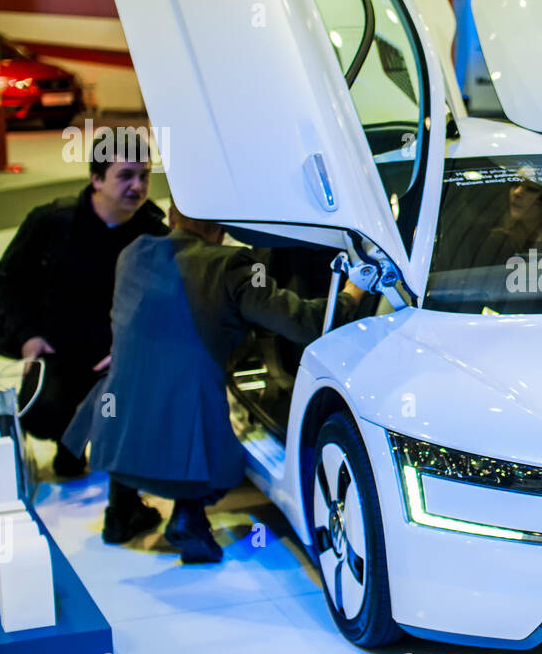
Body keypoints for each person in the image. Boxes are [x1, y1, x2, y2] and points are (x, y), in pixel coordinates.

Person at [63, 206, 366, 562]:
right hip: (187, 453)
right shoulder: (234, 265)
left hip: (111, 440)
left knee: (138, 383)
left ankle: (119, 511)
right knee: (199, 418)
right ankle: (188, 516)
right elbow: (307, 323)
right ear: (221, 227)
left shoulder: (133, 254)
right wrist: (353, 289)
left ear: (173, 218)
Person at [0, 131, 167, 475]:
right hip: (58, 346)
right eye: (125, 176)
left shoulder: (154, 234)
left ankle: (111, 453)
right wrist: (28, 337)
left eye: (144, 175)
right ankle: (70, 441)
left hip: (117, 350)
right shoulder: (52, 222)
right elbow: (9, 281)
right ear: (96, 178)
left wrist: (134, 348)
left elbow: (167, 304)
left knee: (144, 407)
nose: (137, 187)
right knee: (43, 412)